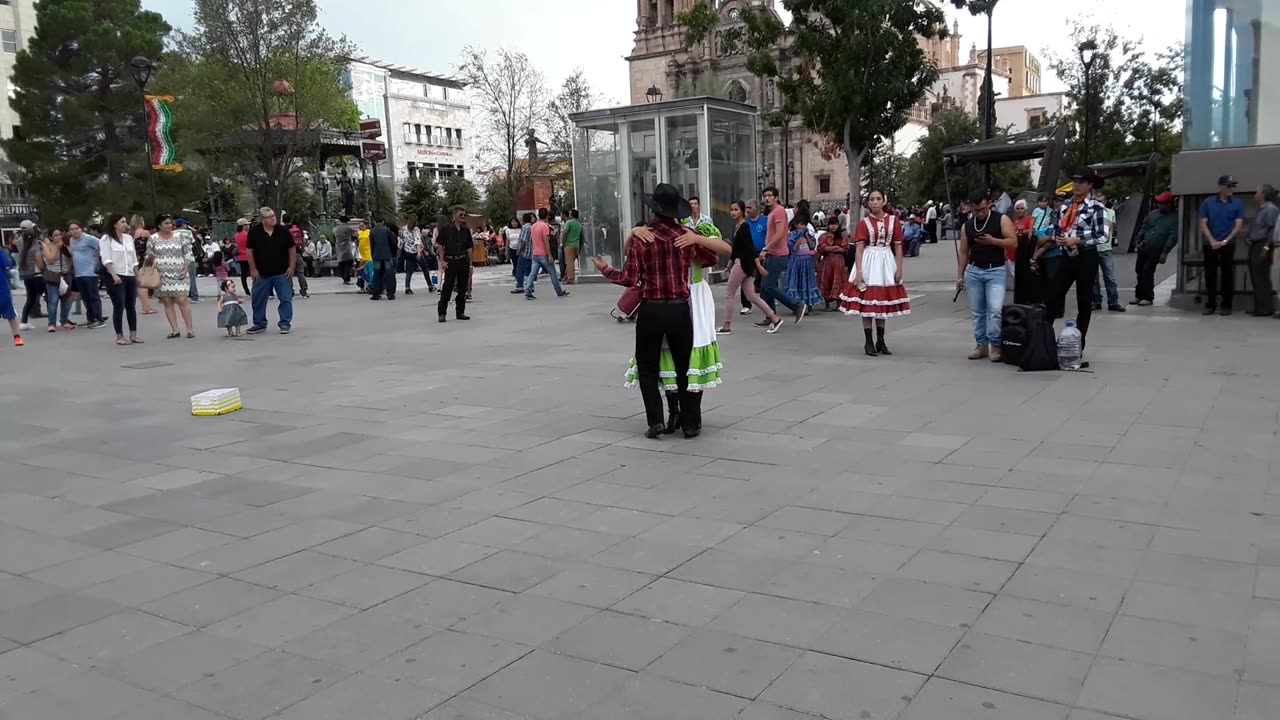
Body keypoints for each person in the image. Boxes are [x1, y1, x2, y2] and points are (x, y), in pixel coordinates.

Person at [593, 183, 731, 439]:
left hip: (651, 311)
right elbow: (712, 258)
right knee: (684, 367)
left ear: (654, 209)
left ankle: (656, 420)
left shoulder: (642, 237)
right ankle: (690, 424)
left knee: (647, 367)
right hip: (679, 310)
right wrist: (697, 242)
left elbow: (628, 278)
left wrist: (605, 269)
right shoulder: (687, 235)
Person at [841, 189, 912, 357]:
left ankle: (881, 339)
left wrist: (899, 268)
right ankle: (868, 341)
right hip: (869, 260)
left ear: (884, 201)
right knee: (868, 302)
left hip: (886, 260)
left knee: (882, 301)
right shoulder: (864, 223)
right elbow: (859, 248)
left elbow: (898, 245)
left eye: (878, 199)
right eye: (872, 199)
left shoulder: (893, 221)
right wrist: (859, 271)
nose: (874, 202)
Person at [1047, 172, 1111, 354]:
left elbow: (1103, 236)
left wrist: (1079, 240)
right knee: (1053, 295)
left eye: (1081, 182)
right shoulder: (1065, 205)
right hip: (1066, 255)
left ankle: (1078, 345)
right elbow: (1057, 227)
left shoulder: (1097, 208)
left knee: (1084, 301)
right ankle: (1043, 337)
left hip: (1086, 256)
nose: (1076, 185)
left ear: (1090, 185)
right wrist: (1057, 238)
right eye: (1074, 181)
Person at [956, 189, 1017, 361]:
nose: (980, 213)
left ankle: (995, 345)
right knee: (977, 312)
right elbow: (963, 251)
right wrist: (960, 276)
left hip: (995, 270)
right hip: (974, 271)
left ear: (989, 204)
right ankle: (981, 344)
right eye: (976, 210)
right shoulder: (967, 225)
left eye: (983, 209)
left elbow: (1013, 242)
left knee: (995, 310)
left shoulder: (1001, 219)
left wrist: (993, 241)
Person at [719, 200, 782, 334]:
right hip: (743, 263)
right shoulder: (739, 227)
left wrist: (758, 266)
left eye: (736, 210)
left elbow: (750, 249)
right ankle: (775, 318)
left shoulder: (744, 227)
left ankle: (726, 326)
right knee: (752, 296)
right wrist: (728, 266)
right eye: (731, 210)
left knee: (729, 294)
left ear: (741, 211)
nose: (733, 212)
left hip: (742, 264)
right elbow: (735, 250)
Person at [759, 186, 806, 324]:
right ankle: (770, 316)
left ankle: (796, 305)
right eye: (765, 195)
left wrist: (766, 248)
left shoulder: (779, 211)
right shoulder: (772, 212)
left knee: (770, 286)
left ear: (776, 197)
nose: (767, 198)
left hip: (777, 254)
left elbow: (780, 234)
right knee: (764, 287)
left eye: (769, 195)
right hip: (772, 254)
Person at [1198, 175, 1245, 316]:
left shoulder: (1237, 203)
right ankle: (1210, 304)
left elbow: (1238, 225)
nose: (1231, 189)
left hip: (1228, 243)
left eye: (1233, 186)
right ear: (1221, 187)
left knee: (1227, 274)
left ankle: (1226, 305)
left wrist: (1225, 241)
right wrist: (1212, 241)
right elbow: (1203, 223)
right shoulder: (1208, 202)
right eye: (1229, 186)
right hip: (1210, 243)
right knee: (1210, 274)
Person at [246, 206, 296, 335]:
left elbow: (292, 249)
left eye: (274, 216)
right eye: (269, 217)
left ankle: (285, 323)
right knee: (257, 299)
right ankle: (259, 323)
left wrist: (291, 267)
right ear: (263, 219)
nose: (273, 218)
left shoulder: (283, 231)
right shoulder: (254, 232)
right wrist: (253, 269)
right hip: (261, 273)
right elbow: (249, 251)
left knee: (285, 298)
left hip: (282, 272)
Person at [147, 214, 197, 339]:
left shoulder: (179, 236)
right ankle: (175, 330)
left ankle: (190, 329)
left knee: (182, 300)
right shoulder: (153, 238)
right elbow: (149, 255)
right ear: (159, 225)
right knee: (167, 301)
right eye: (166, 223)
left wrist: (186, 267)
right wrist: (151, 260)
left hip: (179, 271)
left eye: (170, 223)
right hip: (162, 274)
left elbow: (188, 253)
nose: (169, 225)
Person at [1131, 191, 1178, 307]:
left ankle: (1147, 296)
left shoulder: (1174, 218)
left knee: (1147, 270)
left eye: (1163, 203)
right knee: (1139, 270)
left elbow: (1173, 236)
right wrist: (1138, 240)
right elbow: (1144, 227)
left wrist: (1165, 252)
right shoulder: (1153, 214)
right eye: (1159, 203)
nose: (1160, 205)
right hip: (1145, 245)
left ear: (1169, 204)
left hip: (1157, 248)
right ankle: (1139, 295)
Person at [100, 214, 142, 345]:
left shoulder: (129, 238)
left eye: (126, 221)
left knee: (131, 305)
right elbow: (106, 259)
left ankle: (133, 334)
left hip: (129, 274)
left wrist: (137, 275)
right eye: (122, 222)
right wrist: (113, 274)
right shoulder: (106, 239)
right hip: (116, 275)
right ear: (115, 224)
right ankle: (119, 336)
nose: (126, 224)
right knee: (119, 305)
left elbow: (134, 259)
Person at [1089, 190, 1125, 313]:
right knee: (1093, 279)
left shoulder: (1110, 212)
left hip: (1105, 249)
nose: (1099, 203)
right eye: (1096, 201)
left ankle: (1113, 302)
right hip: (1093, 249)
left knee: (1110, 277)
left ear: (1105, 201)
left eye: (1101, 201)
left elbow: (1110, 226)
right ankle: (1096, 301)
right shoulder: (1090, 213)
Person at [436, 206, 473, 323]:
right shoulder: (446, 229)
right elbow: (440, 245)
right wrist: (442, 261)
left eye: (464, 215)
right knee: (448, 286)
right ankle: (442, 313)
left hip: (463, 260)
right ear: (454, 215)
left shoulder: (466, 230)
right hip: (450, 261)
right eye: (461, 215)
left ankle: (460, 312)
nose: (463, 217)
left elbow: (469, 248)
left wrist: (471, 265)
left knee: (462, 287)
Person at [524, 208, 570, 300]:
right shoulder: (544, 226)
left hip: (535, 253)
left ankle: (528, 290)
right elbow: (546, 242)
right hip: (543, 254)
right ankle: (559, 291)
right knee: (552, 273)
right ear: (547, 216)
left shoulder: (534, 226)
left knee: (533, 273)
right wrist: (549, 255)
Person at [1247, 184, 1279, 317]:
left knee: (1262, 277)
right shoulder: (1261, 209)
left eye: (1257, 192)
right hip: (1255, 244)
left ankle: (1265, 308)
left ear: (1263, 195)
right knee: (1255, 276)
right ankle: (1259, 306)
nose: (1255, 194)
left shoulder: (1270, 209)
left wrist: (1266, 247)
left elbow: (1271, 229)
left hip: (1263, 244)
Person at [35, 228, 75, 332]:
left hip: (66, 275)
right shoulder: (47, 246)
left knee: (66, 300)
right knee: (53, 300)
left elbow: (71, 257)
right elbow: (50, 260)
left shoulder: (66, 245)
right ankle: (51, 323)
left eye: (59, 234)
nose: (58, 237)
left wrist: (64, 248)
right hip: (53, 276)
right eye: (55, 235)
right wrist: (57, 248)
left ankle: (64, 321)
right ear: (51, 237)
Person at [68, 221, 106, 329]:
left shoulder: (89, 238)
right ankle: (91, 318)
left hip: (90, 272)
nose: (75, 231)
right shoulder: (72, 240)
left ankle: (99, 319)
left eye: (77, 228)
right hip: (79, 273)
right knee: (85, 297)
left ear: (81, 228)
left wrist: (99, 254)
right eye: (72, 229)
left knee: (93, 296)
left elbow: (102, 245)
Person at [738, 199, 769, 315]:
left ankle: (766, 302)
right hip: (748, 255)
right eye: (746, 208)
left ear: (757, 209)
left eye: (750, 208)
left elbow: (770, 236)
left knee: (764, 280)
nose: (747, 210)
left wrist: (766, 250)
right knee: (745, 279)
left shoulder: (765, 220)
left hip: (762, 254)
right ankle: (746, 305)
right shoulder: (744, 222)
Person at [786, 212, 822, 309]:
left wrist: (807, 238)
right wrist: (798, 242)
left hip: (807, 262)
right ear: (796, 224)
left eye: (805, 224)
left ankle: (809, 304)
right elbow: (792, 249)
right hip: (796, 262)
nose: (803, 226)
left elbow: (812, 246)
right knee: (797, 282)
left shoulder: (808, 235)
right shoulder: (791, 236)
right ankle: (797, 305)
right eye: (801, 224)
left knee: (808, 283)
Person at [817, 215, 850, 311]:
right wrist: (835, 248)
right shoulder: (823, 236)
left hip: (839, 262)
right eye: (831, 224)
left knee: (839, 281)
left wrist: (829, 248)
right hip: (827, 262)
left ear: (838, 225)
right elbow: (822, 248)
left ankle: (839, 304)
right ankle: (827, 304)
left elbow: (844, 249)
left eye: (835, 224)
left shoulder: (843, 237)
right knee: (827, 281)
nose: (833, 226)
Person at [1010, 199, 1037, 305]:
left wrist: (1018, 232)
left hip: (1026, 250)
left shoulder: (1030, 219)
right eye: (1017, 209)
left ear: (1025, 209)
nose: (1020, 210)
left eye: (1022, 208)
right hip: (1014, 250)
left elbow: (1031, 231)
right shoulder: (1014, 222)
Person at [130, 215, 157, 315]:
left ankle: (146, 306)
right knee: (144, 284)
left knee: (140, 284)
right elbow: (151, 246)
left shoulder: (132, 234)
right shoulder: (145, 232)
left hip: (137, 259)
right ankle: (146, 307)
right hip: (145, 259)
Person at [399, 214, 431, 294]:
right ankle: (430, 285)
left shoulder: (403, 228)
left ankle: (407, 287)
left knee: (409, 271)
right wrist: (419, 253)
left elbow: (401, 240)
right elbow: (417, 241)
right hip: (416, 252)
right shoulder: (416, 229)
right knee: (424, 268)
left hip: (407, 251)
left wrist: (400, 250)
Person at [368, 219, 398, 301]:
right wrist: (393, 254)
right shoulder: (387, 230)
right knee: (389, 275)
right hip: (387, 255)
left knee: (376, 275)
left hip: (377, 256)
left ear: (374, 222)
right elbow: (392, 243)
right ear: (383, 222)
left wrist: (373, 255)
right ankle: (390, 294)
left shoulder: (372, 231)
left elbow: (372, 245)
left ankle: (376, 293)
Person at [0, 243, 22, 346]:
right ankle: (17, 337)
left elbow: (8, 264)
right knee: (10, 314)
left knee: (10, 313)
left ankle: (17, 336)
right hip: (3, 287)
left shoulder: (0, 252)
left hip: (2, 288)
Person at [510, 213, 534, 293]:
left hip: (525, 252)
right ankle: (531, 285)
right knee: (530, 270)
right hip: (531, 251)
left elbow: (524, 241)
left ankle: (520, 286)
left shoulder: (525, 228)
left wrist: (519, 251)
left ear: (523, 219)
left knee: (520, 269)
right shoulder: (532, 227)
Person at [287, 217, 310, 299]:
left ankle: (290, 292)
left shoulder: (283, 229)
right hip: (297, 253)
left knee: (288, 274)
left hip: (287, 256)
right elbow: (303, 241)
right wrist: (302, 249)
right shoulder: (298, 229)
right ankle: (304, 291)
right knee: (300, 273)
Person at [333, 216, 357, 285]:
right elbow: (355, 235)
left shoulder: (336, 229)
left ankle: (343, 277)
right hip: (346, 247)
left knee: (341, 263)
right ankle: (347, 279)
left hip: (338, 247)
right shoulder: (348, 228)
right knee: (348, 263)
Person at [562, 209, 583, 284]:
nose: (569, 215)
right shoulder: (579, 223)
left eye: (570, 214)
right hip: (576, 245)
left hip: (569, 244)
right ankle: (566, 276)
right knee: (571, 261)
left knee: (569, 262)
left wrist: (562, 242)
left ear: (572, 215)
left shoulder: (569, 222)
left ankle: (570, 278)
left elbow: (565, 232)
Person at [234, 218, 252, 294]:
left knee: (243, 274)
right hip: (249, 255)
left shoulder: (237, 235)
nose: (248, 226)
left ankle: (246, 290)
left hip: (241, 256)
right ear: (244, 226)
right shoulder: (247, 234)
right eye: (247, 225)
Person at [356, 220, 372, 292]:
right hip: (361, 253)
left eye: (362, 225)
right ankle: (361, 287)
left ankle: (370, 285)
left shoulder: (369, 232)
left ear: (366, 225)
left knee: (367, 269)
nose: (361, 227)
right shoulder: (359, 233)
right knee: (360, 270)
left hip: (368, 252)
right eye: (360, 226)